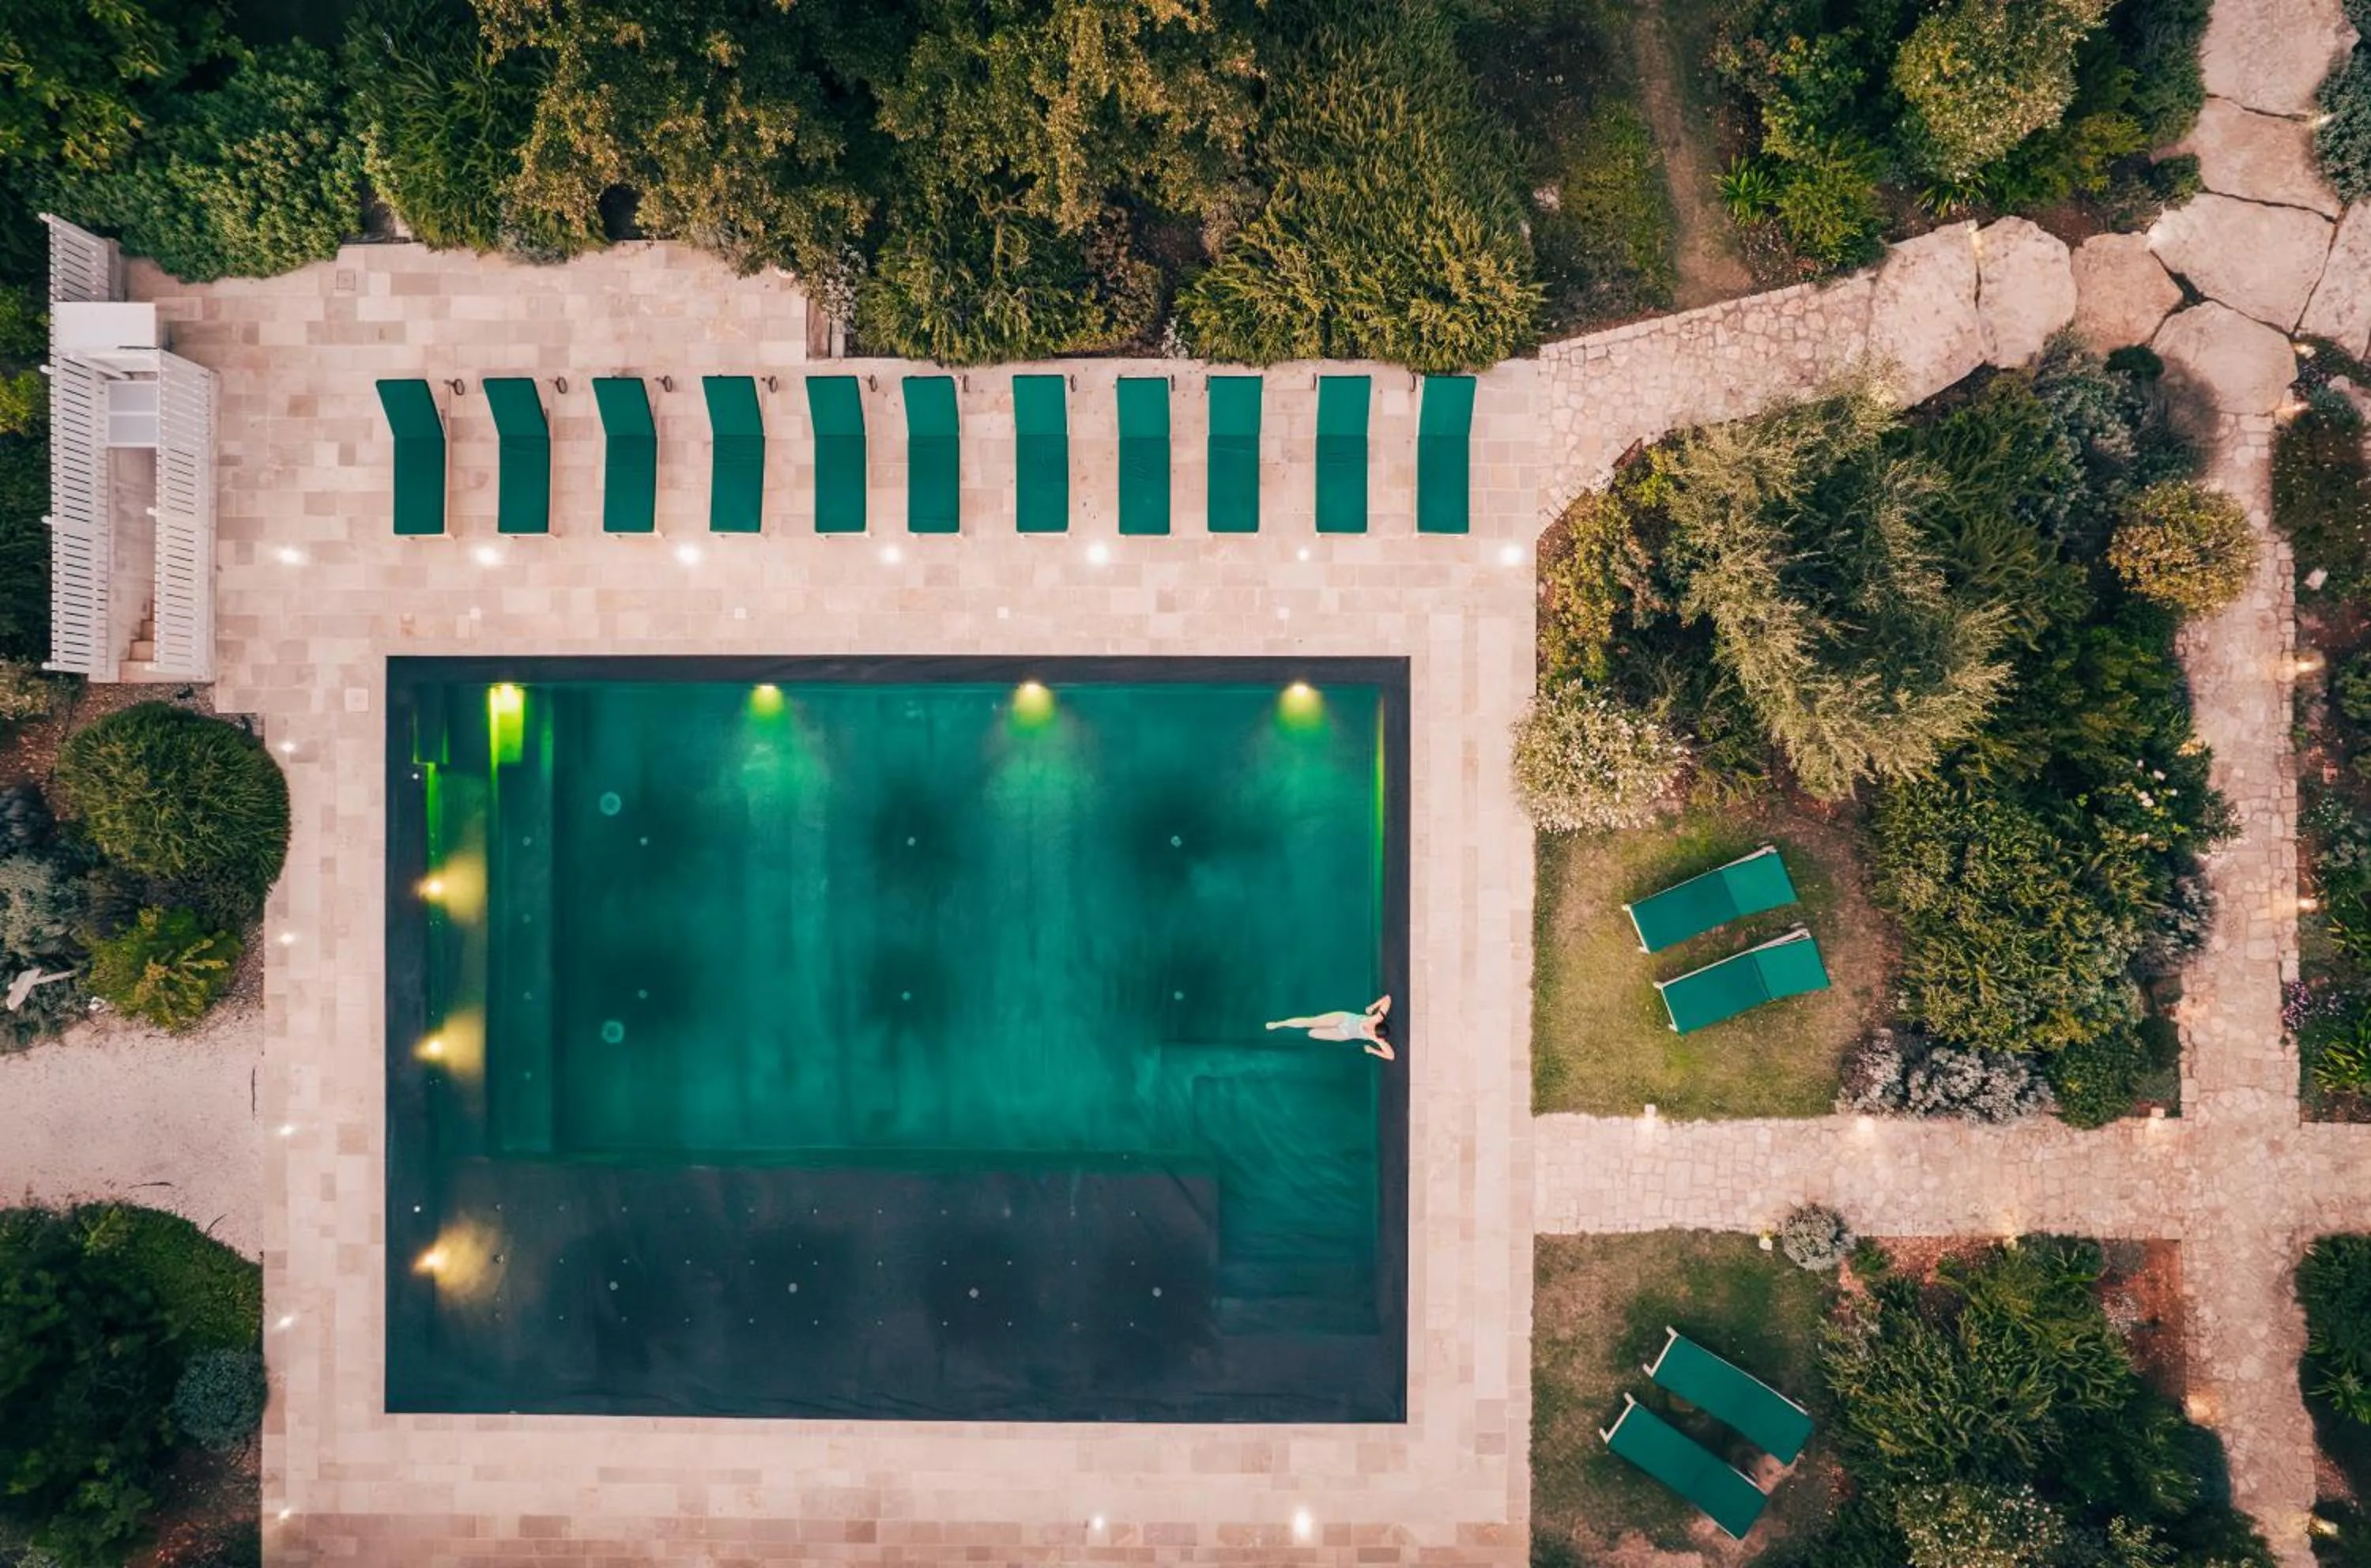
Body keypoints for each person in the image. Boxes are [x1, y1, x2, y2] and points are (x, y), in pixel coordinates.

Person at [1265, 995, 1393, 1060]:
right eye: (1372, 1028)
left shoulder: (1378, 1040)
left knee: (1312, 1034)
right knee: (1311, 1022)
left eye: (1372, 1033)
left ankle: (1306, 1028)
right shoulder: (1377, 1018)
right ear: (1377, 1024)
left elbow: (1391, 1056)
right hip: (1345, 1019)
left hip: (1345, 1034)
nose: (1370, 1030)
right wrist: (1372, 1007)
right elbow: (1388, 999)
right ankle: (1279, 1024)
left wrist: (1373, 1050)